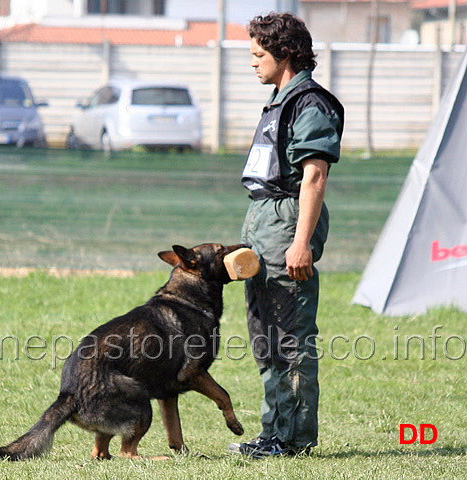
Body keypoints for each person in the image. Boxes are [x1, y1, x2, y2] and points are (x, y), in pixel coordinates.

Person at [229, 12, 344, 458]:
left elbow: (314, 178)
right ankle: (272, 432)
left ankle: (292, 439)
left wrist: (300, 242)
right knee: (265, 337)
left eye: (259, 54)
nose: (253, 62)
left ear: (285, 53)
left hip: (286, 221)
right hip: (263, 219)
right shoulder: (280, 99)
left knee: (289, 337)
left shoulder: (310, 103)